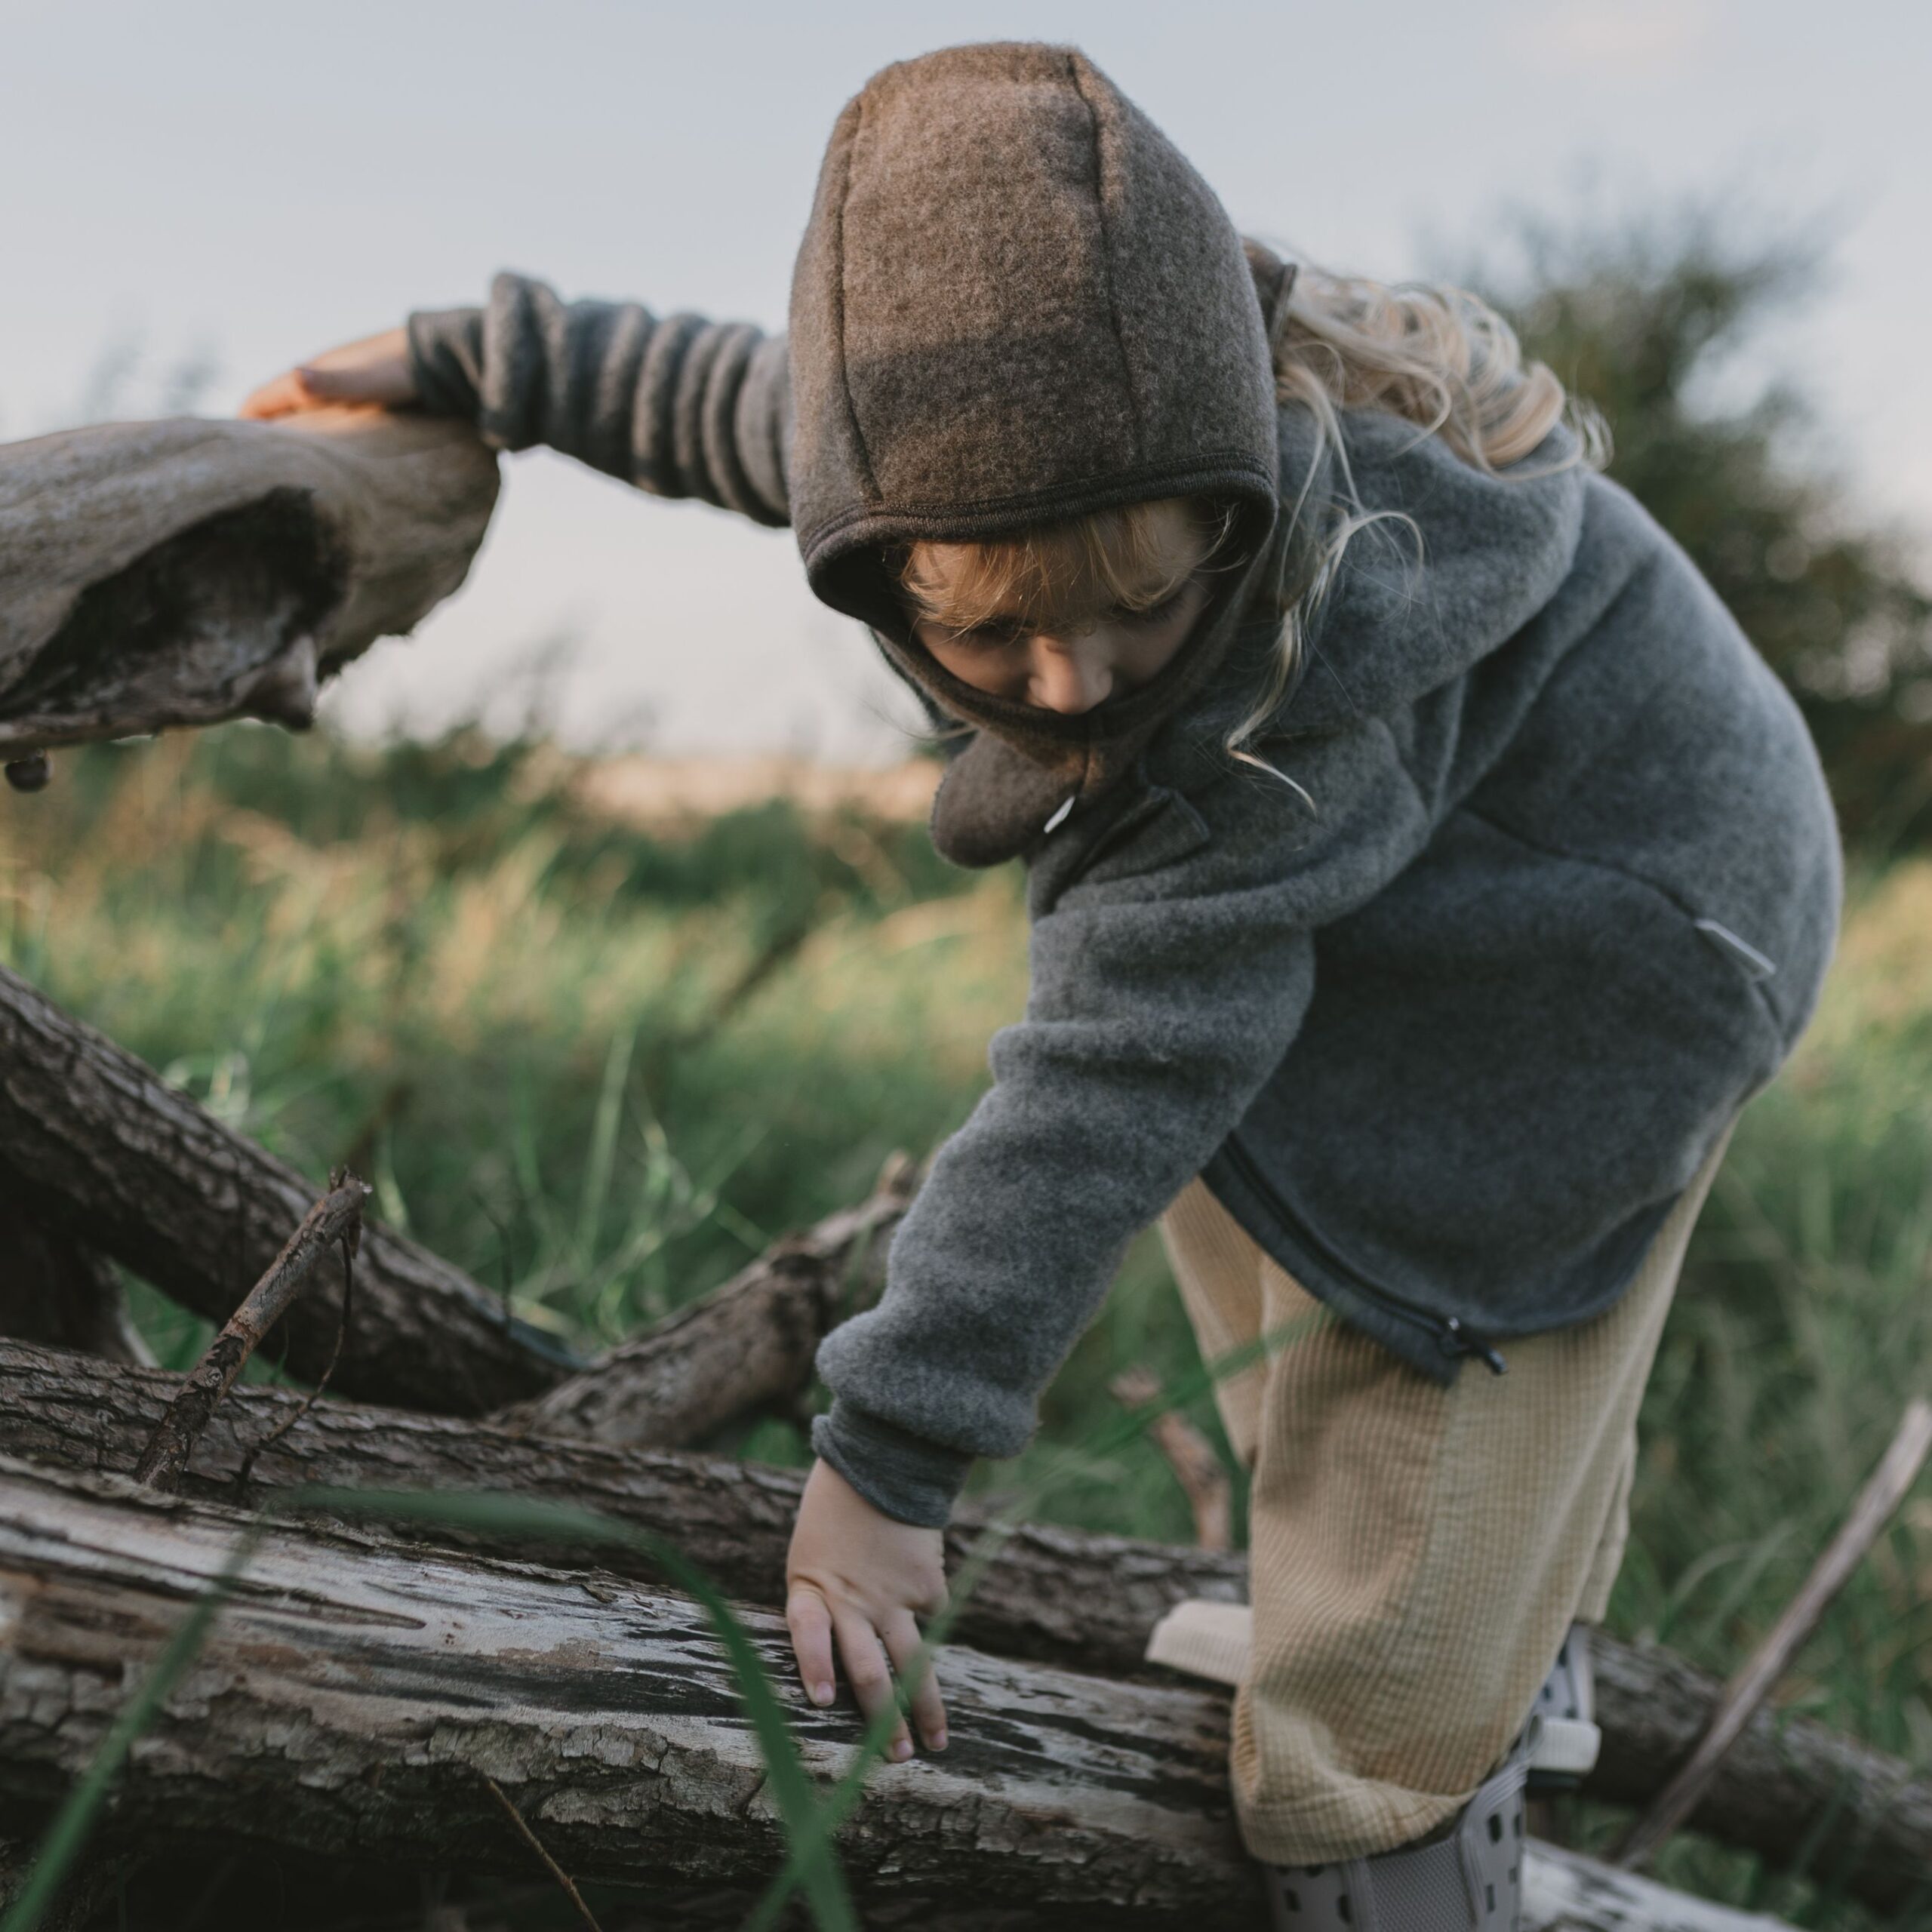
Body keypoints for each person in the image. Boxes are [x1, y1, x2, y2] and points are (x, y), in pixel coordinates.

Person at [245, 41, 1841, 1927]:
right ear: (880, 547)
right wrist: (483, 359)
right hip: (1507, 881)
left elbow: (1098, 1083)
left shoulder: (1284, 687)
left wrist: (885, 1464)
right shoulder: (985, 473)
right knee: (1237, 1163)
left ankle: (1409, 1759)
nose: (1074, 680)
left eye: (1137, 605)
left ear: (1226, 505)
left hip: (1623, 949)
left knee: (1416, 1342)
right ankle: (1479, 1632)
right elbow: (726, 398)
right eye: (996, 628)